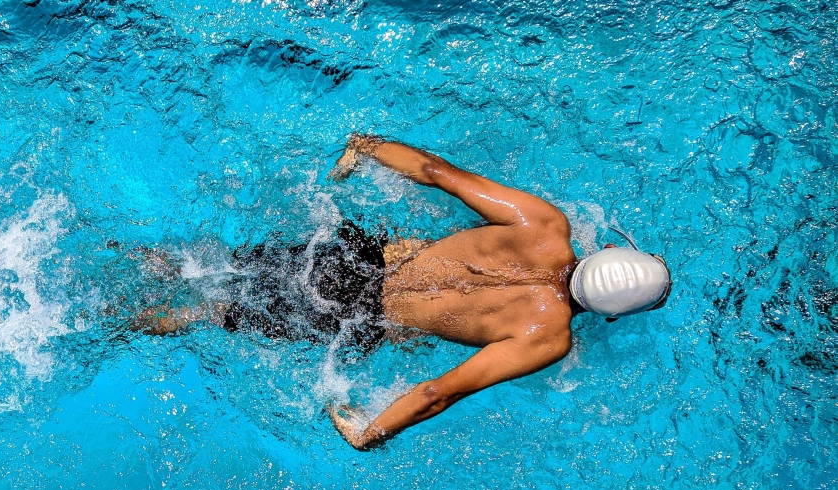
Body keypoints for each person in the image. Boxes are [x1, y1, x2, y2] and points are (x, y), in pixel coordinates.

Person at [134, 134, 672, 451]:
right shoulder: (547, 338)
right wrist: (371, 433)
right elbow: (440, 391)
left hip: (353, 257)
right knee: (211, 313)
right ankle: (115, 321)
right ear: (613, 315)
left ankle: (130, 253)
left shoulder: (544, 225)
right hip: (357, 316)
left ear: (607, 250)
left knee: (211, 267)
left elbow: (438, 173)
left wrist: (367, 148)